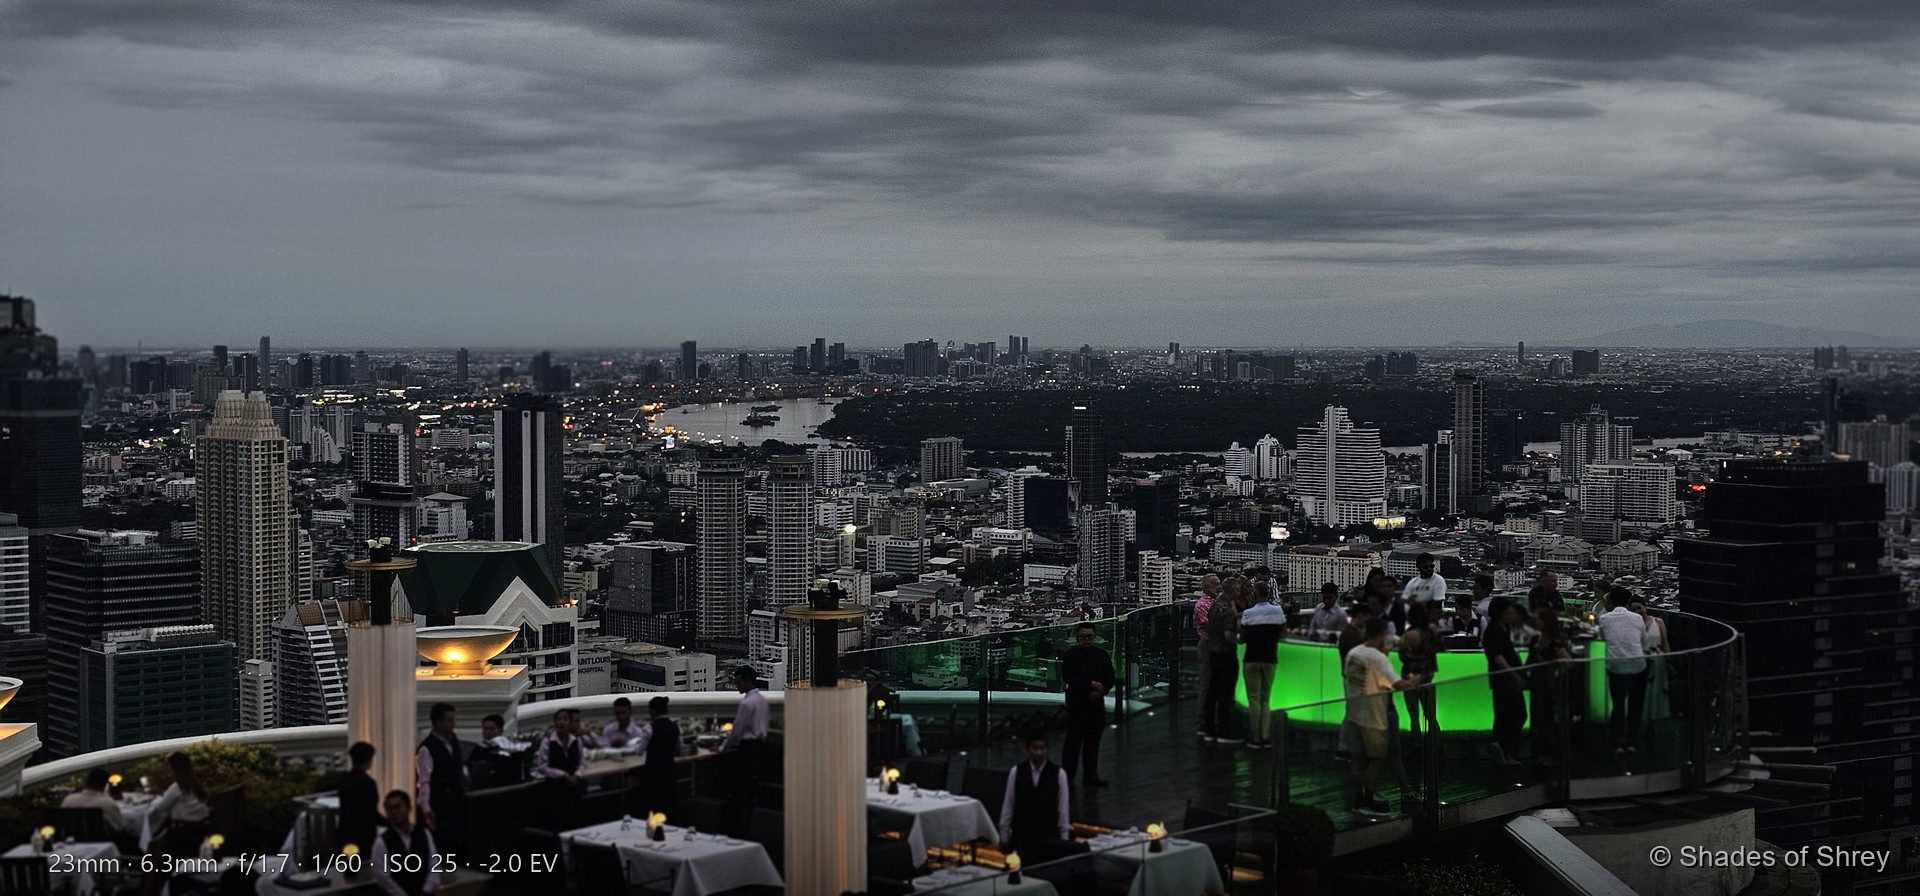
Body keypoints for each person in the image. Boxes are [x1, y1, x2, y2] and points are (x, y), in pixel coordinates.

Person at [1344, 617, 1423, 817]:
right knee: (1378, 757)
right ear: (1381, 634)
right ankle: (1368, 799)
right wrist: (1415, 680)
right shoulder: (1379, 659)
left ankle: (1358, 800)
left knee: (1358, 759)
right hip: (1374, 715)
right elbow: (1399, 685)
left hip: (1354, 713)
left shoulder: (1354, 653)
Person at [141, 752, 212, 896]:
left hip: (182, 832)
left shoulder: (178, 786)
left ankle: (149, 872)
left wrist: (155, 799)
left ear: (175, 768)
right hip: (200, 829)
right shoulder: (194, 783)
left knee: (154, 831)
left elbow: (161, 807)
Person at [1059, 622, 1116, 787]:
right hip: (1078, 704)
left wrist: (1101, 690)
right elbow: (1068, 677)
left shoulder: (1101, 655)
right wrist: (1092, 685)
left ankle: (1089, 776)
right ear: (1078, 638)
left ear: (1093, 637)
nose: (1086, 639)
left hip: (1094, 704)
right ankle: (1070, 778)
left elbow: (1110, 677)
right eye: (1083, 636)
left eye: (1089, 636)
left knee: (1092, 742)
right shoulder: (1072, 655)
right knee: (1074, 743)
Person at [998, 734, 1071, 856]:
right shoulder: (1016, 772)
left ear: (1048, 750)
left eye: (1042, 748)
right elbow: (1008, 804)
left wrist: (1064, 840)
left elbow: (1063, 810)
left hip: (1048, 838)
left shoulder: (1059, 774)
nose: (1039, 752)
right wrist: (1004, 835)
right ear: (1027, 750)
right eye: (1035, 748)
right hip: (1022, 837)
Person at [1597, 587, 1650, 755]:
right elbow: (1643, 641)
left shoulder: (1603, 619)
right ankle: (1632, 741)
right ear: (1628, 602)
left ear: (1611, 602)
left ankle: (1617, 741)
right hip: (1637, 665)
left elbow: (1602, 639)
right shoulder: (1637, 618)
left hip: (1616, 666)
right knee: (1636, 705)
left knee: (1618, 705)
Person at [415, 703, 469, 856]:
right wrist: (426, 809)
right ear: (438, 722)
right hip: (441, 804)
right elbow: (425, 780)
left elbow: (458, 761)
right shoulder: (427, 749)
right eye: (449, 720)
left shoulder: (452, 739)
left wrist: (464, 774)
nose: (453, 724)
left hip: (457, 801)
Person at [722, 666, 769, 836]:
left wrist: (724, 747)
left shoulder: (747, 703)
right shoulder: (761, 700)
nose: (737, 686)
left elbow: (737, 731)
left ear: (747, 682)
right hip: (760, 747)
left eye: (738, 682)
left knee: (740, 788)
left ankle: (738, 825)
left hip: (747, 749)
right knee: (751, 786)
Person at [1240, 584, 1287, 749]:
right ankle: (1266, 737)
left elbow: (1242, 637)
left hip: (1251, 658)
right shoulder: (1278, 611)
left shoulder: (1248, 613)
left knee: (1253, 699)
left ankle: (1255, 737)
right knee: (1266, 699)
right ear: (1269, 594)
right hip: (1270, 658)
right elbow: (1283, 634)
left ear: (1255, 594)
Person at [1483, 598, 1527, 767]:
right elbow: (1498, 658)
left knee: (1508, 716)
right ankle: (1504, 750)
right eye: (1509, 612)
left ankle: (1501, 749)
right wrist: (1514, 675)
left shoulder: (1503, 629)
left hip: (1505, 680)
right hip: (1504, 680)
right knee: (1512, 715)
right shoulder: (1494, 631)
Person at [371, 790, 441, 896]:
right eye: (389, 809)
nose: (394, 812)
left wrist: (426, 890)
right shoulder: (381, 842)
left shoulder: (424, 833)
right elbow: (382, 877)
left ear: (409, 808)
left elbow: (434, 865)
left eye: (397, 807)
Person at [1201, 577, 1244, 744]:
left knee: (1212, 693)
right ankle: (1225, 732)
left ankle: (1209, 729)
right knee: (1226, 693)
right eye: (1237, 589)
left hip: (1213, 653)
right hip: (1225, 655)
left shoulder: (1214, 606)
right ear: (1230, 590)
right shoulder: (1227, 611)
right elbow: (1228, 635)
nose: (1239, 593)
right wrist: (1240, 639)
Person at [1527, 610, 1574, 764]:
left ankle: (1550, 753)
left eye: (1540, 620)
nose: (1536, 622)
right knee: (1537, 717)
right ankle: (1538, 753)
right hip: (1537, 683)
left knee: (1547, 717)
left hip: (1549, 685)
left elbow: (1567, 661)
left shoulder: (1555, 641)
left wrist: (1556, 674)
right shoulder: (1535, 639)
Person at [630, 696, 681, 816]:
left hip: (653, 774)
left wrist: (636, 744)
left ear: (652, 711)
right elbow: (678, 750)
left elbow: (639, 751)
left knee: (654, 806)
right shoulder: (675, 727)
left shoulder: (649, 728)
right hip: (670, 772)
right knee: (669, 806)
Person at [1397, 604, 1439, 744]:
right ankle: (1435, 744)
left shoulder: (1409, 635)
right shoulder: (1431, 632)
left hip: (1410, 678)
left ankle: (1416, 745)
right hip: (1427, 677)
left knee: (1414, 717)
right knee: (1431, 717)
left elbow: (1403, 656)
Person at [1192, 574, 1222, 739]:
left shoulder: (1217, 602)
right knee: (1206, 685)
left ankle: (1214, 720)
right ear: (1205, 587)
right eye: (1214, 584)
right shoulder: (1202, 605)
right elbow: (1212, 626)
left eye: (1219, 583)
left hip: (1218, 646)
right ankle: (1203, 722)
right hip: (1207, 646)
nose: (1219, 587)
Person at [338, 742, 381, 856]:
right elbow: (371, 813)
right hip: (364, 836)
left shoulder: (344, 780)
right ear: (368, 759)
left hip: (346, 833)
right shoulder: (368, 783)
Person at [61, 767, 126, 833]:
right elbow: (119, 827)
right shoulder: (107, 804)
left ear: (87, 781)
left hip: (73, 838)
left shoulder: (69, 800)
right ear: (105, 784)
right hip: (100, 838)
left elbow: (62, 823)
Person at [534, 708, 588, 784]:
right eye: (559, 719)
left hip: (575, 783)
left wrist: (577, 774)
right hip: (555, 784)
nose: (562, 722)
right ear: (554, 723)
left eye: (565, 719)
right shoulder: (547, 742)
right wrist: (562, 774)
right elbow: (542, 767)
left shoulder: (576, 741)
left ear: (570, 723)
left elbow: (582, 763)